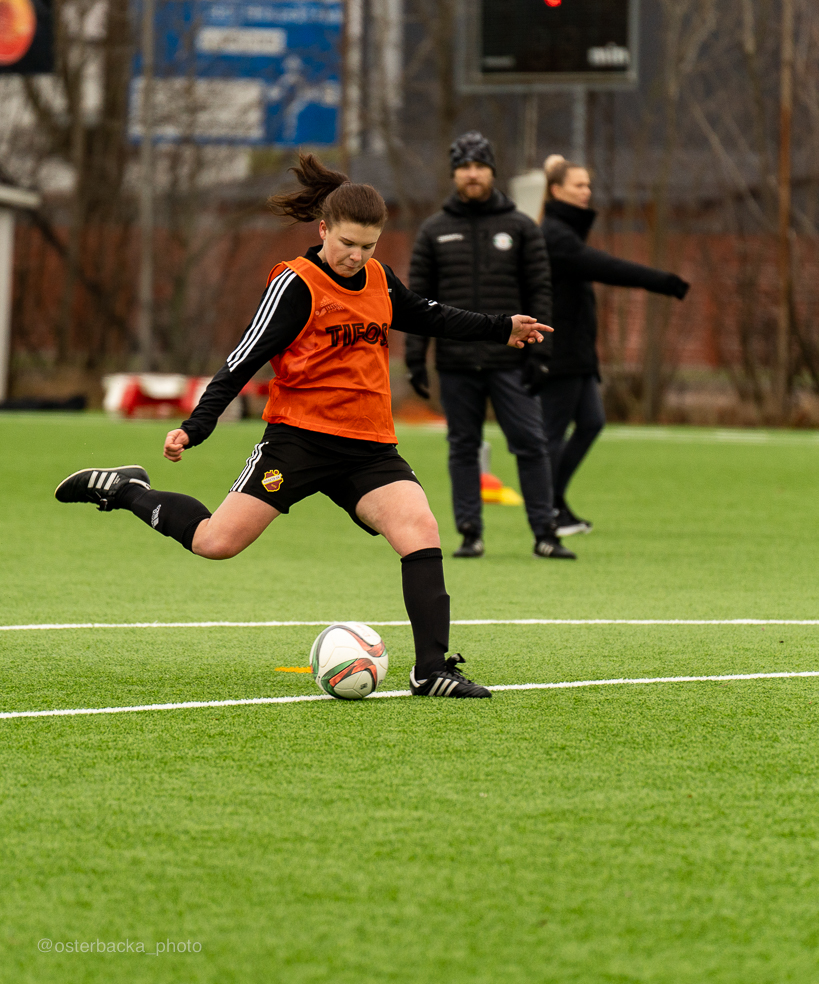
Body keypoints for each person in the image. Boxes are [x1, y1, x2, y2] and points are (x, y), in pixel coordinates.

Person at [54, 154, 550, 700]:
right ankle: (127, 490)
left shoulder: (379, 279)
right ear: (323, 230)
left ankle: (432, 669)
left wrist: (501, 327)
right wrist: (196, 427)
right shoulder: (296, 284)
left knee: (420, 530)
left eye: (368, 246)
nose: (356, 256)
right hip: (299, 443)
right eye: (347, 244)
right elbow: (241, 360)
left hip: (369, 448)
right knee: (216, 542)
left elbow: (428, 314)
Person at [404, 131, 574, 561]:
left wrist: (540, 354)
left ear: (492, 171)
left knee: (531, 443)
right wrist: (415, 358)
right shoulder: (434, 230)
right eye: (464, 167)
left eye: (480, 166)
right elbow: (416, 302)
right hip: (456, 362)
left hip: (511, 361)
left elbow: (540, 291)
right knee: (463, 447)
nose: (472, 174)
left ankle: (545, 533)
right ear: (454, 174)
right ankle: (469, 534)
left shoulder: (520, 227)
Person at [539, 155, 690, 536]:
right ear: (555, 190)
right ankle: (546, 513)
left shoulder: (566, 230)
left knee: (592, 422)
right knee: (552, 433)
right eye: (578, 185)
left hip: (579, 350)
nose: (586, 192)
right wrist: (664, 281)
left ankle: (555, 502)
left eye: (588, 185)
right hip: (558, 350)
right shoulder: (555, 235)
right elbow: (607, 267)